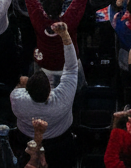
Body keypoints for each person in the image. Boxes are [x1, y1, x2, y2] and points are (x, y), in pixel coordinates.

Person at [10, 19, 79, 162]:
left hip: (26, 140)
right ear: (50, 89)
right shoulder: (63, 97)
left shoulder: (16, 98)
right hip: (60, 141)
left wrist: (23, 82)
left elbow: (19, 86)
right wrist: (65, 35)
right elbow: (71, 68)